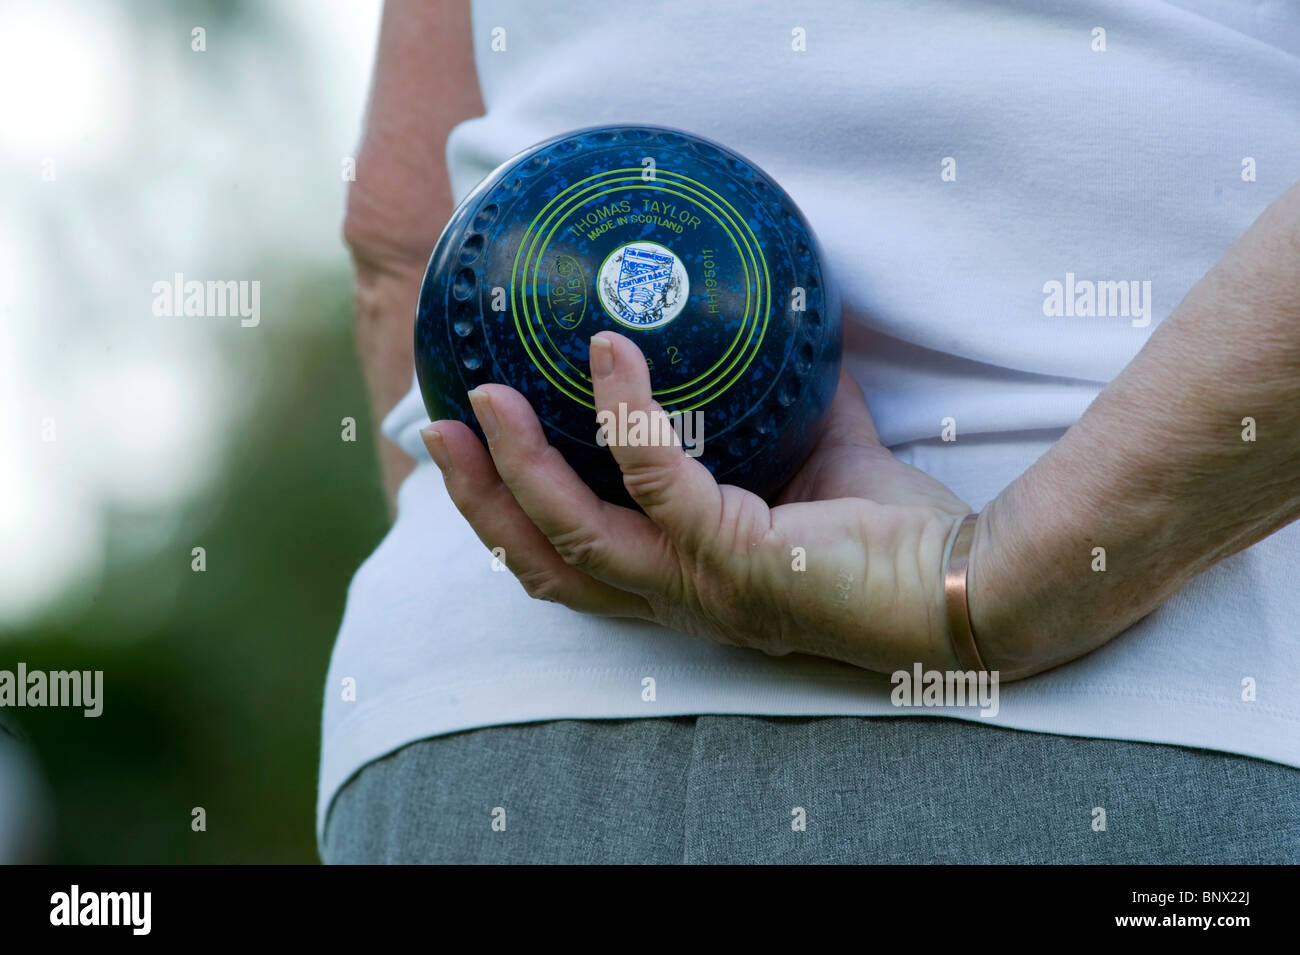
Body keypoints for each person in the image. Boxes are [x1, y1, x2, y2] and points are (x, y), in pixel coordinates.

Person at [321, 0, 1300, 863]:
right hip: (1130, 719)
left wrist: (515, 530)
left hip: (472, 724)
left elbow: (396, 234)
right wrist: (999, 580)